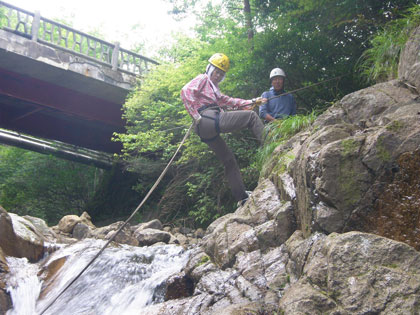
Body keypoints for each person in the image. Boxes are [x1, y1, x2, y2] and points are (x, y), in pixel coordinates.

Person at [181, 53, 266, 205]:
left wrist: (252, 101)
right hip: (207, 118)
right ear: (210, 69)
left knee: (229, 160)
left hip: (204, 128)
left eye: (221, 74)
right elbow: (186, 91)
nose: (218, 76)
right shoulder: (203, 79)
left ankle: (242, 197)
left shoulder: (215, 91)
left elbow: (230, 101)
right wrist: (195, 115)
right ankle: (270, 145)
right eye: (217, 72)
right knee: (251, 117)